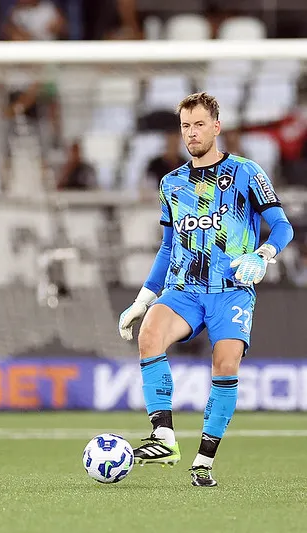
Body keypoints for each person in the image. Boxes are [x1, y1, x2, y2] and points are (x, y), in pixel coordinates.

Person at [117, 92, 294, 488]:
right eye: (185, 126)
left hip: (231, 289)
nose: (191, 133)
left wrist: (263, 254)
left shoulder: (246, 172)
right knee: (149, 334)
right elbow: (167, 247)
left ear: (216, 126)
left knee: (225, 364)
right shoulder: (171, 183)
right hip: (185, 289)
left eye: (199, 125)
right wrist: (142, 299)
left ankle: (203, 461)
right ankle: (164, 437)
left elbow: (283, 226)